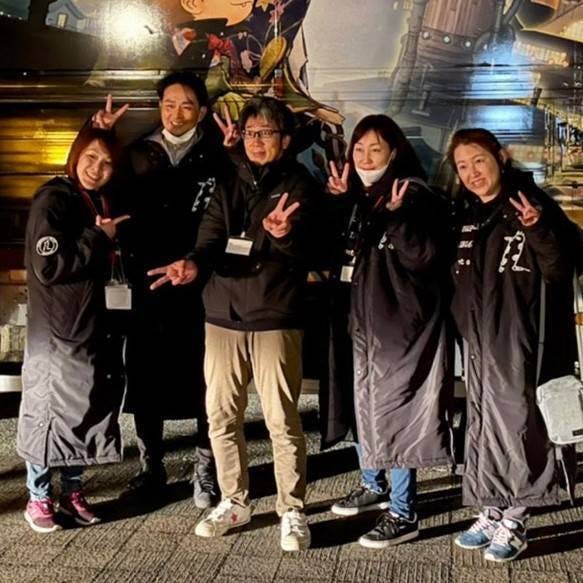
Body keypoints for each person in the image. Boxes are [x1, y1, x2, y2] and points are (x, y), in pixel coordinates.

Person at [148, 96, 318, 551]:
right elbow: (208, 242)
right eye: (250, 133)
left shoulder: (301, 184)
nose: (257, 141)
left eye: (266, 133)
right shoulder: (226, 182)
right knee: (221, 415)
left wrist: (286, 235)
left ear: (285, 140)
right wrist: (190, 265)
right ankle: (234, 500)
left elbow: (312, 251)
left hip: (274, 316)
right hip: (222, 316)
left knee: (282, 420)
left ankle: (292, 508)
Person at [448, 128, 580, 562]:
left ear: (501, 158)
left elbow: (561, 267)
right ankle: (492, 508)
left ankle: (516, 518)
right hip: (481, 345)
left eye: (479, 161)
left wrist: (538, 228)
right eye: (463, 166)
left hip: (522, 345)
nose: (472, 172)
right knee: (485, 428)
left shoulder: (531, 204)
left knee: (522, 429)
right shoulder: (469, 214)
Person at [326, 114, 454, 547]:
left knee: (395, 413)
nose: (365, 158)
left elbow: (425, 257)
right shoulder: (356, 195)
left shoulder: (412, 195)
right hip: (362, 323)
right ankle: (373, 483)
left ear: (394, 152)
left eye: (375, 149)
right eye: (359, 149)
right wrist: (340, 203)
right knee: (364, 405)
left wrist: (397, 218)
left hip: (400, 327)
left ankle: (404, 511)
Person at [98, 72, 226, 506]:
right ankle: (151, 466)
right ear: (159, 107)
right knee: (145, 375)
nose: (177, 113)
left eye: (187, 105)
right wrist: (101, 132)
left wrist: (198, 261)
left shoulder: (218, 155)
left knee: (205, 376)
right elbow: (100, 188)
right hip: (147, 282)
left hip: (199, 282)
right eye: (169, 104)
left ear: (202, 112)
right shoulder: (136, 154)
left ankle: (206, 468)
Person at [17, 124, 129, 533]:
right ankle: (38, 496)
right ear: (75, 156)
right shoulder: (54, 198)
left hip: (86, 326)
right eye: (90, 157)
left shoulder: (95, 198)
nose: (97, 168)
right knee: (47, 411)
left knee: (83, 408)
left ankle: (73, 491)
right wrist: (98, 237)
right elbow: (48, 266)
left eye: (106, 163)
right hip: (55, 332)